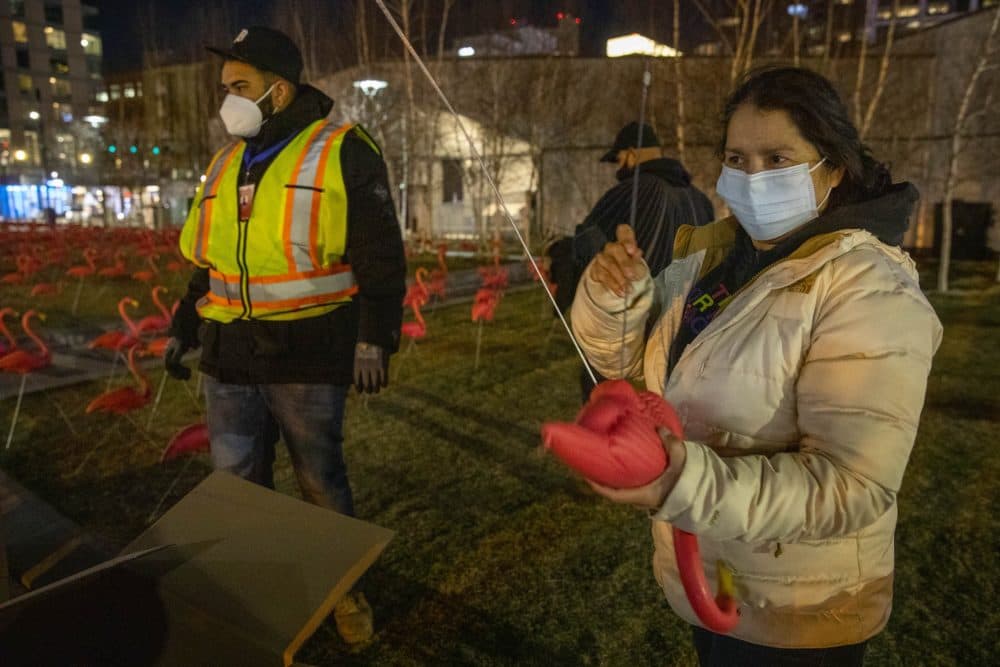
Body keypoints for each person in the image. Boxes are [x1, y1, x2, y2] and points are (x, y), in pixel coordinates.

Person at [571, 66, 942, 666]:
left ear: (833, 168)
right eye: (737, 159)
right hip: (713, 582)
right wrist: (616, 296)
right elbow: (622, 362)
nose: (753, 178)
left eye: (777, 158)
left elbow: (851, 484)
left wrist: (679, 481)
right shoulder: (712, 261)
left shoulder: (868, 287)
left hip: (798, 614)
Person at [164, 26, 406, 645]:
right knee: (235, 482)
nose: (227, 99)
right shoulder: (227, 161)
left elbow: (381, 253)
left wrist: (376, 338)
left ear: (278, 88)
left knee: (318, 479)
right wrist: (183, 323)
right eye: (224, 88)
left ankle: (342, 591)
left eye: (238, 87)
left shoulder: (343, 148)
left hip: (307, 352)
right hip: (228, 358)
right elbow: (211, 261)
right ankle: (257, 590)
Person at [565, 121, 714, 401]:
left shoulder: (631, 191)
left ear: (631, 154)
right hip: (690, 342)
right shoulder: (701, 200)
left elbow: (588, 244)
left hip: (634, 340)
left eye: (620, 159)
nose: (619, 167)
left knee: (616, 429)